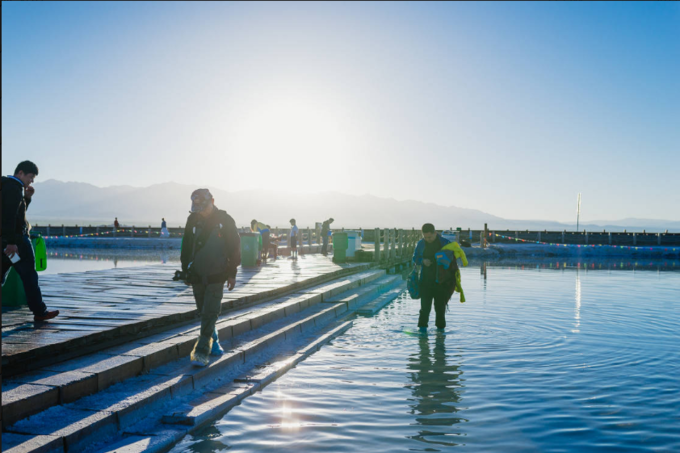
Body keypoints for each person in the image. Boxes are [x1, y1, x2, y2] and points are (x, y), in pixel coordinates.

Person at [180, 189, 241, 366]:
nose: (201, 210)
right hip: (197, 273)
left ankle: (201, 352)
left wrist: (232, 273)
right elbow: (187, 245)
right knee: (203, 311)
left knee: (210, 312)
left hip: (217, 274)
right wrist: (185, 270)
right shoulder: (193, 219)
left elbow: (234, 246)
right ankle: (215, 344)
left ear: (212, 201)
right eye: (198, 207)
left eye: (204, 206)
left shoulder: (225, 220)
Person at [2, 161, 59, 321]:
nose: (32, 181)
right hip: (17, 243)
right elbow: (9, 217)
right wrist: (11, 242)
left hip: (6, 242)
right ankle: (40, 312)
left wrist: (27, 198)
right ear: (20, 173)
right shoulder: (14, 188)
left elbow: (16, 214)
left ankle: (40, 311)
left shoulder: (7, 186)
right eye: (31, 177)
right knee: (29, 277)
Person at [412, 223, 451, 332]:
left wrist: (443, 261)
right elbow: (414, 258)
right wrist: (423, 261)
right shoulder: (421, 244)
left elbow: (452, 259)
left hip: (441, 282)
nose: (428, 239)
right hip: (425, 281)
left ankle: (440, 336)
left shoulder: (445, 243)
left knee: (440, 309)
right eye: (425, 237)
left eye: (430, 237)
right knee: (424, 309)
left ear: (435, 233)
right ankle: (422, 336)